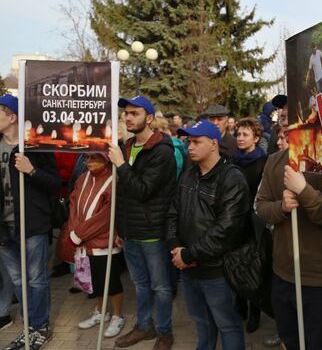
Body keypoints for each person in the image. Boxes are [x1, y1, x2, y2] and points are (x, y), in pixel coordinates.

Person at [255, 94, 322, 350]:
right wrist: (283, 207)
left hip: (321, 282)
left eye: (289, 113)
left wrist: (304, 191)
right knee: (290, 342)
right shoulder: (275, 161)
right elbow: (260, 207)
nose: (282, 118)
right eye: (282, 114)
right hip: (283, 275)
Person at [166, 119, 249, 350]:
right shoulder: (188, 175)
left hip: (216, 271)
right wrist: (175, 246)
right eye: (188, 141)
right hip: (189, 268)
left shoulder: (232, 178)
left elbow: (226, 230)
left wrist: (189, 254)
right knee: (202, 322)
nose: (189, 147)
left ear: (213, 144)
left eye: (195, 141)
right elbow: (173, 212)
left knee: (227, 325)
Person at [108, 95, 177, 350]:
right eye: (126, 113)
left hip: (153, 231)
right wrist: (119, 227)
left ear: (149, 118)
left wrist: (121, 165)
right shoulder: (126, 146)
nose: (127, 118)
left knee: (160, 286)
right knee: (140, 284)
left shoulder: (162, 151)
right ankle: (144, 325)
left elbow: (143, 190)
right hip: (130, 230)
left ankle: (164, 331)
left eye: (134, 113)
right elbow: (122, 193)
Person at [0, 94, 61, 350]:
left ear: (12, 117)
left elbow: (55, 183)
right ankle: (28, 327)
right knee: (18, 281)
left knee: (36, 280)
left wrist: (31, 170)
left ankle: (40, 327)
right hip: (3, 227)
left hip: (32, 224)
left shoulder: (36, 145)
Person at [65, 153, 126, 338]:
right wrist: (74, 229)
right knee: (95, 281)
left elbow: (106, 215)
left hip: (103, 240)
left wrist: (79, 233)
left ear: (106, 159)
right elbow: (73, 203)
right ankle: (100, 312)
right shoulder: (83, 178)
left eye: (94, 158)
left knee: (111, 281)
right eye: (87, 158)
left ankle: (117, 316)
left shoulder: (113, 179)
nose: (89, 162)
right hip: (84, 241)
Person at [233, 118, 268, 333]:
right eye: (238, 134)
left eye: (245, 135)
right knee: (236, 264)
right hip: (236, 222)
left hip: (255, 223)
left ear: (256, 138)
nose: (240, 138)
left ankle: (255, 312)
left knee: (254, 267)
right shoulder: (233, 161)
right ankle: (240, 306)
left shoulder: (264, 163)